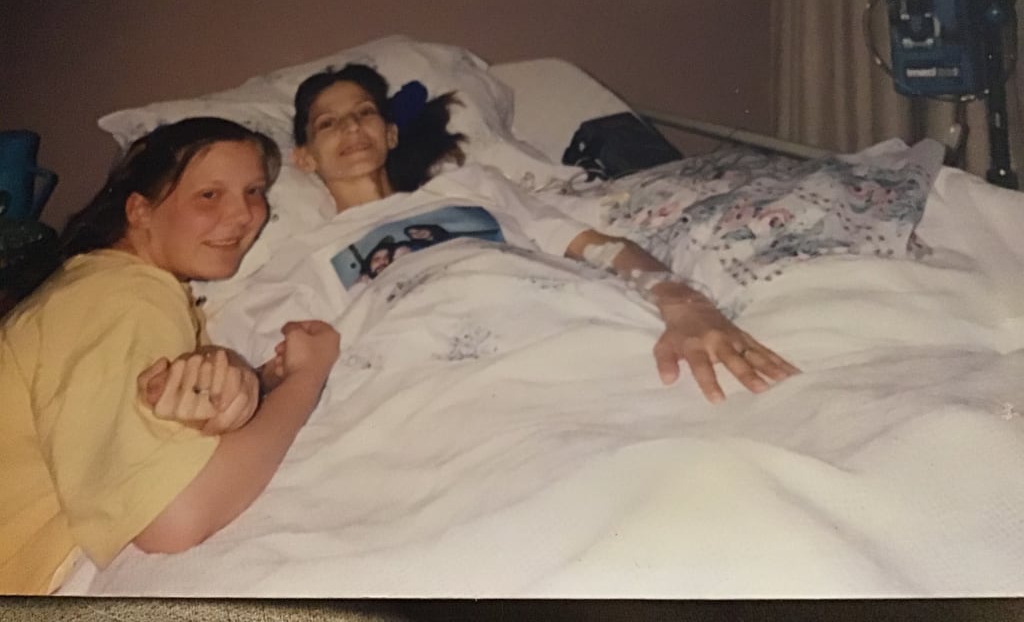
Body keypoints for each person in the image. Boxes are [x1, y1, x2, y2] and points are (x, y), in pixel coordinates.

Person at [283, 63, 798, 402]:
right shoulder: (304, 260)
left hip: (571, 324)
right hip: (444, 378)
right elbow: (281, 370)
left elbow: (596, 247)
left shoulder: (471, 187)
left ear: (390, 133)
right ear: (304, 158)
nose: (351, 128)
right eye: (328, 123)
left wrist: (685, 303)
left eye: (365, 113)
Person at [0, 118, 340, 594]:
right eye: (209, 195)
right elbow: (172, 518)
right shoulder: (121, 296)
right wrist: (308, 377)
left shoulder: (103, 289)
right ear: (140, 210)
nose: (243, 215)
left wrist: (262, 379)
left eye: (254, 191)